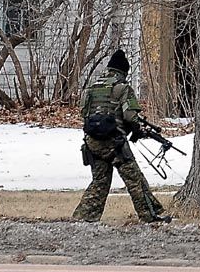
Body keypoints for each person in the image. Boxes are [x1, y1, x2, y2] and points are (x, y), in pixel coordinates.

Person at [73, 49, 171, 223]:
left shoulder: (92, 88)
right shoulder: (123, 88)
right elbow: (130, 117)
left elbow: (83, 112)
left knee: (99, 182)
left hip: (93, 142)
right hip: (115, 144)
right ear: (123, 72)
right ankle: (150, 215)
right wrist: (136, 131)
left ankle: (83, 218)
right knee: (134, 180)